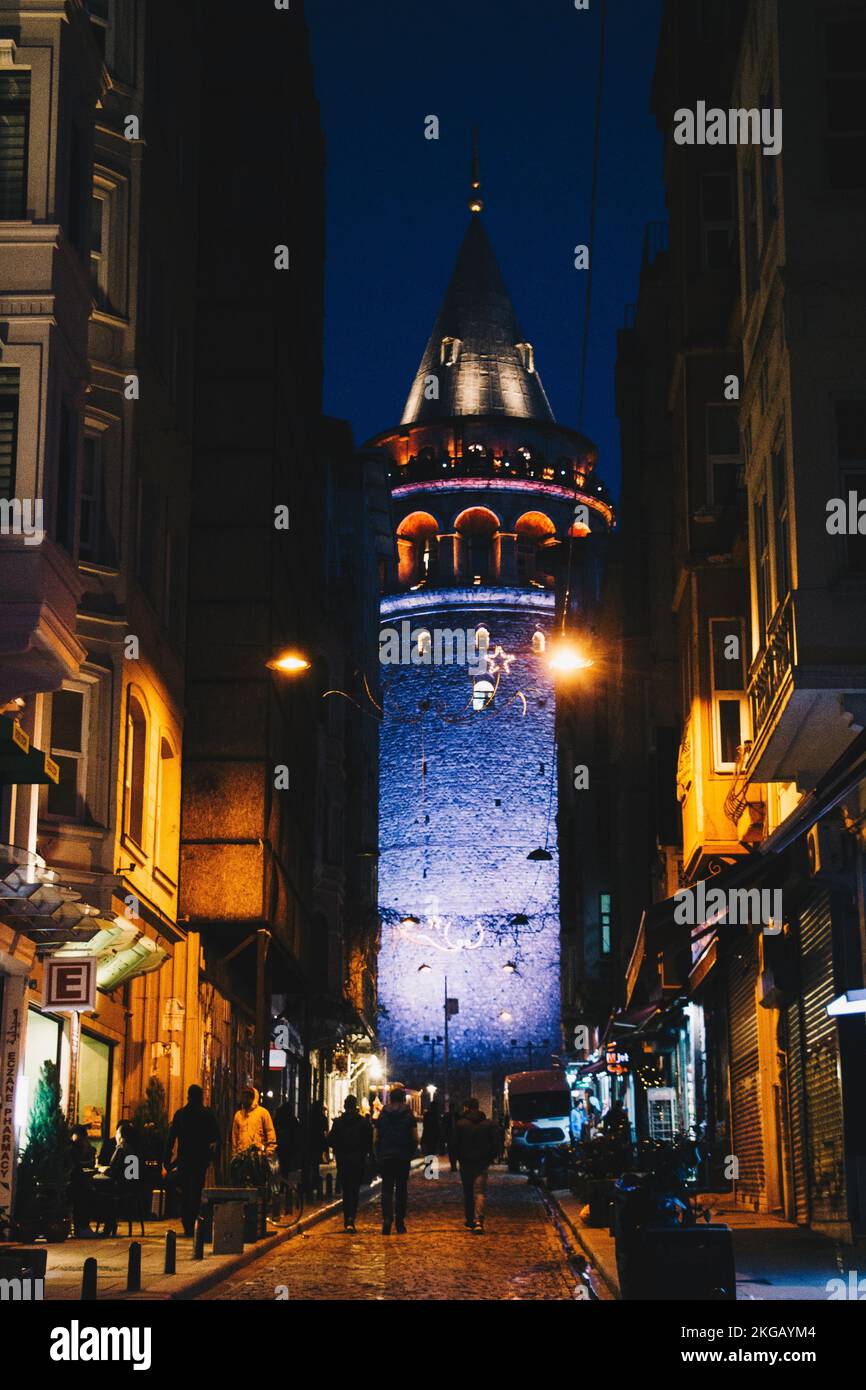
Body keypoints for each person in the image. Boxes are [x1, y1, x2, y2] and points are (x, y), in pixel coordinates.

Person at [163, 1084, 220, 1237]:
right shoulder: (206, 1114)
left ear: (188, 1096)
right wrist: (210, 1156)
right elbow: (216, 1137)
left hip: (184, 1159)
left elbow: (171, 1137)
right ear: (200, 1096)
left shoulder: (180, 1114)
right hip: (199, 1160)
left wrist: (167, 1159)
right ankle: (192, 1220)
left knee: (185, 1191)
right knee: (195, 1191)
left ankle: (187, 1222)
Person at [375, 1086, 417, 1234]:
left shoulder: (383, 1114)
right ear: (403, 1099)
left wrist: (378, 1152)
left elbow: (376, 1136)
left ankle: (387, 1219)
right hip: (402, 1155)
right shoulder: (408, 1114)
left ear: (390, 1098)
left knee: (386, 1189)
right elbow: (414, 1137)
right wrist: (411, 1152)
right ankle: (400, 1222)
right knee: (401, 1189)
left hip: (386, 1155)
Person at [454, 1097, 499, 1233]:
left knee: (468, 1191)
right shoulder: (488, 1124)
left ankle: (469, 1219)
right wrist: (490, 1158)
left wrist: (458, 1158)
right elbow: (495, 1143)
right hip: (481, 1162)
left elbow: (454, 1143)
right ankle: (479, 1219)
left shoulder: (460, 1124)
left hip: (466, 1162)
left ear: (466, 1108)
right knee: (479, 1192)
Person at [328, 1095, 372, 1233]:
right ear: (355, 1106)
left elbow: (330, 1140)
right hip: (358, 1159)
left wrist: (339, 1148)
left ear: (345, 1106)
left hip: (343, 1160)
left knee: (346, 1190)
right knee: (355, 1190)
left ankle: (347, 1218)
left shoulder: (339, 1122)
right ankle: (352, 1217)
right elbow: (368, 1142)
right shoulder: (363, 1122)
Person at [100, 1121, 140, 1237]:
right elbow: (131, 1173)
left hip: (121, 1188)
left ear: (121, 1136)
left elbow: (114, 1171)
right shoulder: (132, 1149)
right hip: (131, 1187)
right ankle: (111, 1224)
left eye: (117, 1133)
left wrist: (103, 1170)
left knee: (101, 1194)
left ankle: (109, 1224)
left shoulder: (121, 1149)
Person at [231, 1086, 276, 1156]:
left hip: (258, 1156)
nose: (243, 1100)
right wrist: (235, 1153)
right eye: (243, 1097)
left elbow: (270, 1132)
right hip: (242, 1155)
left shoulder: (262, 1113)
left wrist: (269, 1151)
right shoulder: (238, 1115)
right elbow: (235, 1136)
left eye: (246, 1097)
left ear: (252, 1098)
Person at [69, 1124, 97, 1237]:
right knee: (86, 1193)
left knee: (88, 1191)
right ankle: (82, 1227)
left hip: (75, 1182)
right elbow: (77, 1166)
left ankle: (82, 1227)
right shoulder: (70, 1148)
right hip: (72, 1184)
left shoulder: (76, 1147)